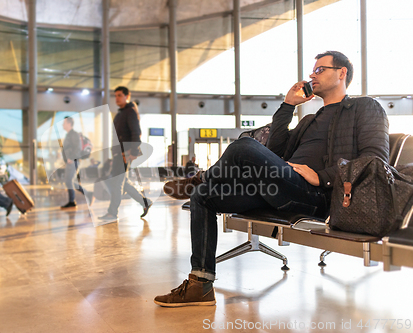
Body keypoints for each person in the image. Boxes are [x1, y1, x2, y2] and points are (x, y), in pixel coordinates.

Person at [155, 51, 389, 307]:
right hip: (283, 186)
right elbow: (276, 151)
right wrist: (288, 106)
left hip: (318, 196)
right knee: (203, 198)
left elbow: (374, 159)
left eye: (320, 69)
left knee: (243, 146)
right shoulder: (310, 119)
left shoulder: (365, 107)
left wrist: (321, 177)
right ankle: (200, 284)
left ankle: (202, 178)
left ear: (342, 73)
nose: (312, 74)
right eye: (313, 71)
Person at [98, 86, 152, 221]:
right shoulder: (121, 113)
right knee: (123, 182)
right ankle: (145, 202)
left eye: (120, 95)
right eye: (115, 95)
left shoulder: (130, 112)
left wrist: (133, 151)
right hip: (119, 154)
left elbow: (136, 132)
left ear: (127, 96)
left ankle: (112, 212)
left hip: (125, 154)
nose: (117, 98)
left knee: (116, 183)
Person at [60, 116, 93, 209]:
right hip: (70, 161)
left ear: (69, 124)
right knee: (69, 181)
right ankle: (85, 195)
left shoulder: (73, 134)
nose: (63, 124)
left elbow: (77, 148)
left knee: (68, 181)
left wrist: (71, 158)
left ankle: (73, 200)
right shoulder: (69, 134)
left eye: (64, 123)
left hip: (73, 161)